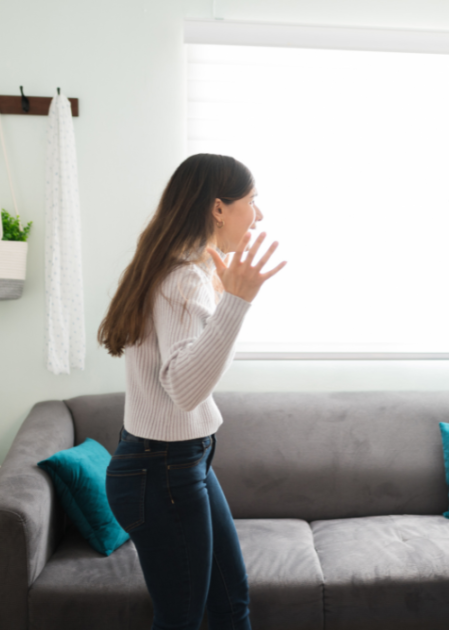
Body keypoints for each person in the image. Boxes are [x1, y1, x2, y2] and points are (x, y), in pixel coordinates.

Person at [97, 153, 286, 630]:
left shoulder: (182, 269)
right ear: (219, 208)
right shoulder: (182, 277)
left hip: (177, 463)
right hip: (162, 469)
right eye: (253, 201)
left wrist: (225, 295)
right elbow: (184, 388)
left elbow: (185, 364)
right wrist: (237, 302)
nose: (258, 214)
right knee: (183, 618)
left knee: (229, 602)